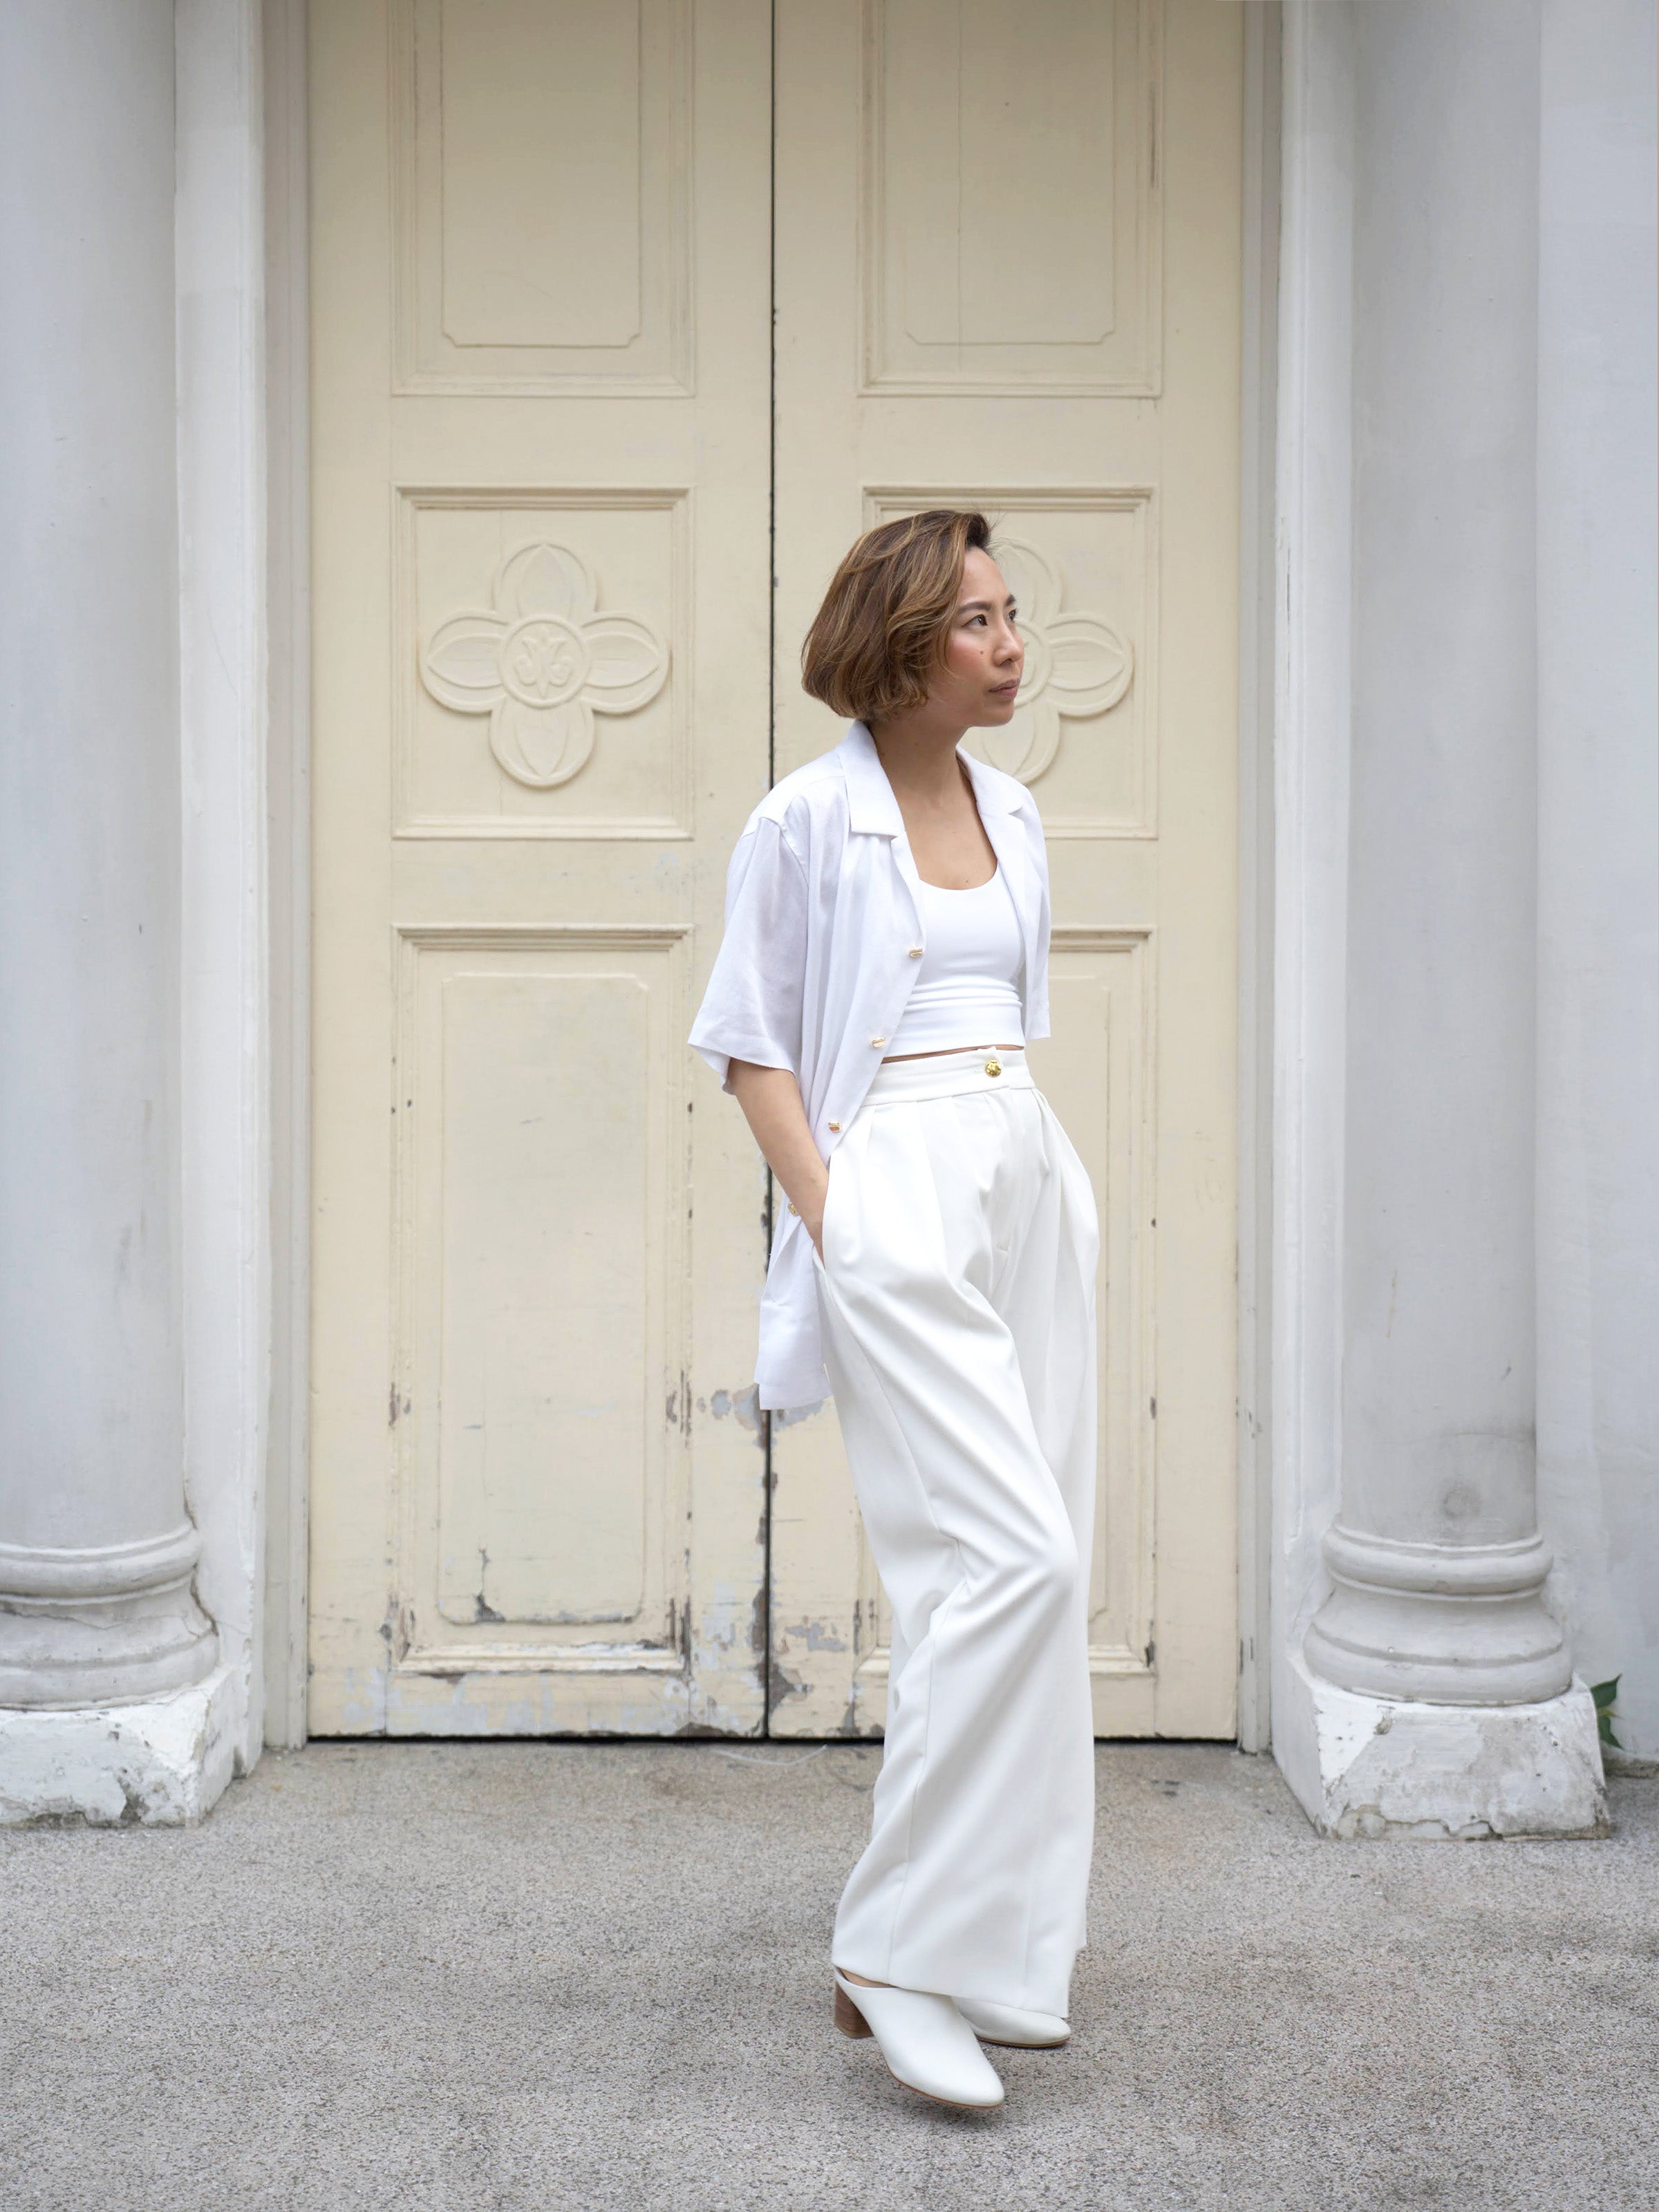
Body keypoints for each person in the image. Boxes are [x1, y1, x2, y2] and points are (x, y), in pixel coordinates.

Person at [689, 510, 1098, 2112]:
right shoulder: (801, 820)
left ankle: (995, 1952)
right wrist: (838, 1213)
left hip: (1018, 1168)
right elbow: (750, 1041)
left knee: (1005, 1585)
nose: (1012, 646)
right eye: (981, 623)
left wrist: (1021, 1173)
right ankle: (893, 1942)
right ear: (903, 644)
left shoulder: (1017, 807)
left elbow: (1010, 1014)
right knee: (1017, 1556)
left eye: (1013, 617)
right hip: (897, 1186)